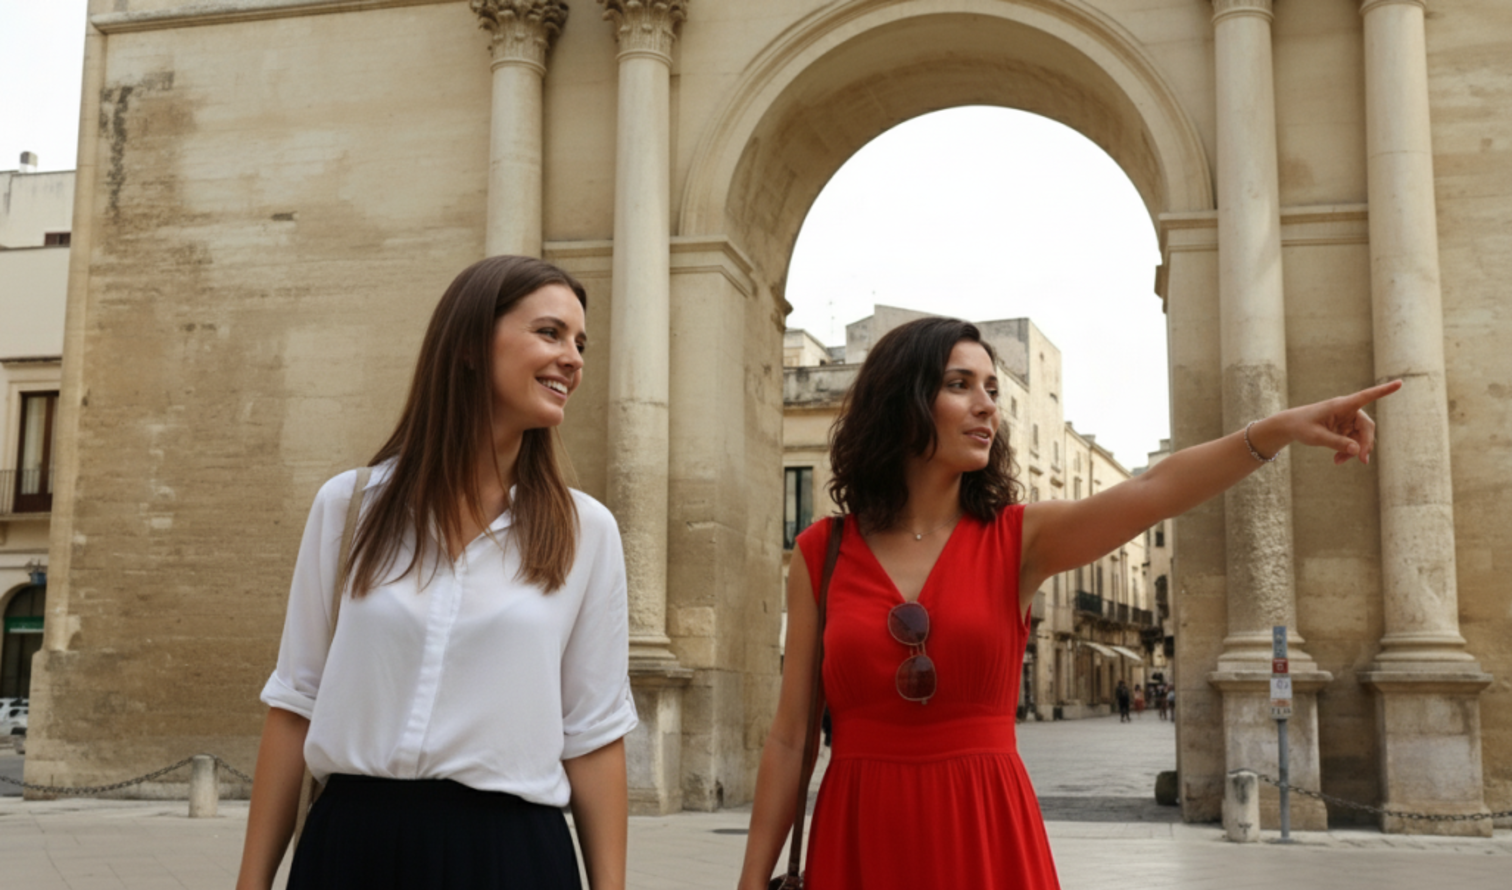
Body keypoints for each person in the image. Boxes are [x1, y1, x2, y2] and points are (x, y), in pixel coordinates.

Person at [736, 316, 1398, 890]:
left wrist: (1277, 429)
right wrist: (749, 881)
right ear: (900, 402)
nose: (987, 405)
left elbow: (1157, 489)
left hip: (986, 832)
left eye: (992, 389)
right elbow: (792, 739)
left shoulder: (1020, 538)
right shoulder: (822, 552)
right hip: (859, 833)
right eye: (959, 384)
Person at [235, 256, 638, 890]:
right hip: (351, 849)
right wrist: (251, 883)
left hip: (511, 858)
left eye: (579, 343)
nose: (574, 359)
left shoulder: (587, 532)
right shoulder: (349, 506)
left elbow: (593, 734)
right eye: (550, 333)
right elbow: (295, 704)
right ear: (473, 344)